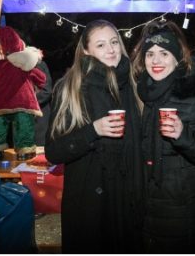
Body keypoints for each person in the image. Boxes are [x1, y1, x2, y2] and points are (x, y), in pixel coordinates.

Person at [45, 19, 144, 253]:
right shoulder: (71, 88)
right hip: (88, 204)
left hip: (129, 200)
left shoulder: (133, 84)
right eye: (100, 45)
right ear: (86, 51)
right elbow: (54, 151)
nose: (110, 49)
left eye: (114, 42)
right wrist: (93, 131)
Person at [132, 21, 195, 253]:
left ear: (177, 58)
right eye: (150, 54)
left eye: (164, 53)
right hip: (146, 205)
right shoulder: (142, 95)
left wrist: (183, 135)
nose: (156, 61)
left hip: (182, 209)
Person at [0, 26, 46, 160]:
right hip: (22, 103)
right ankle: (25, 151)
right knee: (24, 127)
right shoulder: (25, 65)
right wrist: (38, 85)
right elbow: (41, 78)